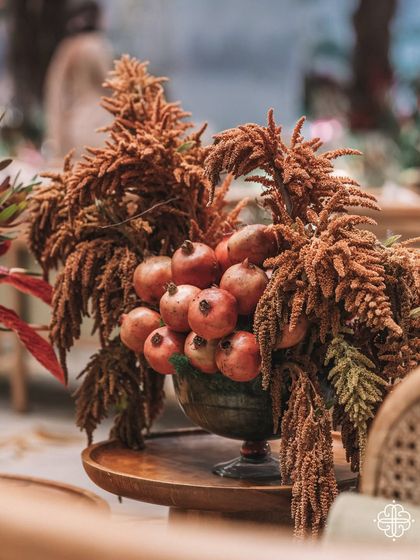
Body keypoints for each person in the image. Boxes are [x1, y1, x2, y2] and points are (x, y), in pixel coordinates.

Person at [44, 1, 112, 161]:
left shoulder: (65, 48)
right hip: (99, 124)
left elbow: (54, 93)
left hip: (73, 126)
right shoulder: (97, 45)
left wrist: (55, 135)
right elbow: (112, 84)